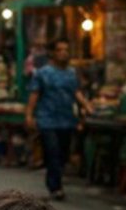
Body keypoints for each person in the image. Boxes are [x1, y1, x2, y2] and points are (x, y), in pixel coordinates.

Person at [25, 39, 95, 200]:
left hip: (66, 119)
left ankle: (56, 179)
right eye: (60, 50)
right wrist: (29, 115)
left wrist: (87, 106)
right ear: (53, 53)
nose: (64, 53)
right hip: (47, 118)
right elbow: (34, 95)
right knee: (52, 151)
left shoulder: (71, 73)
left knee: (63, 153)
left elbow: (76, 93)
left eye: (66, 50)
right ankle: (55, 186)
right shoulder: (42, 74)